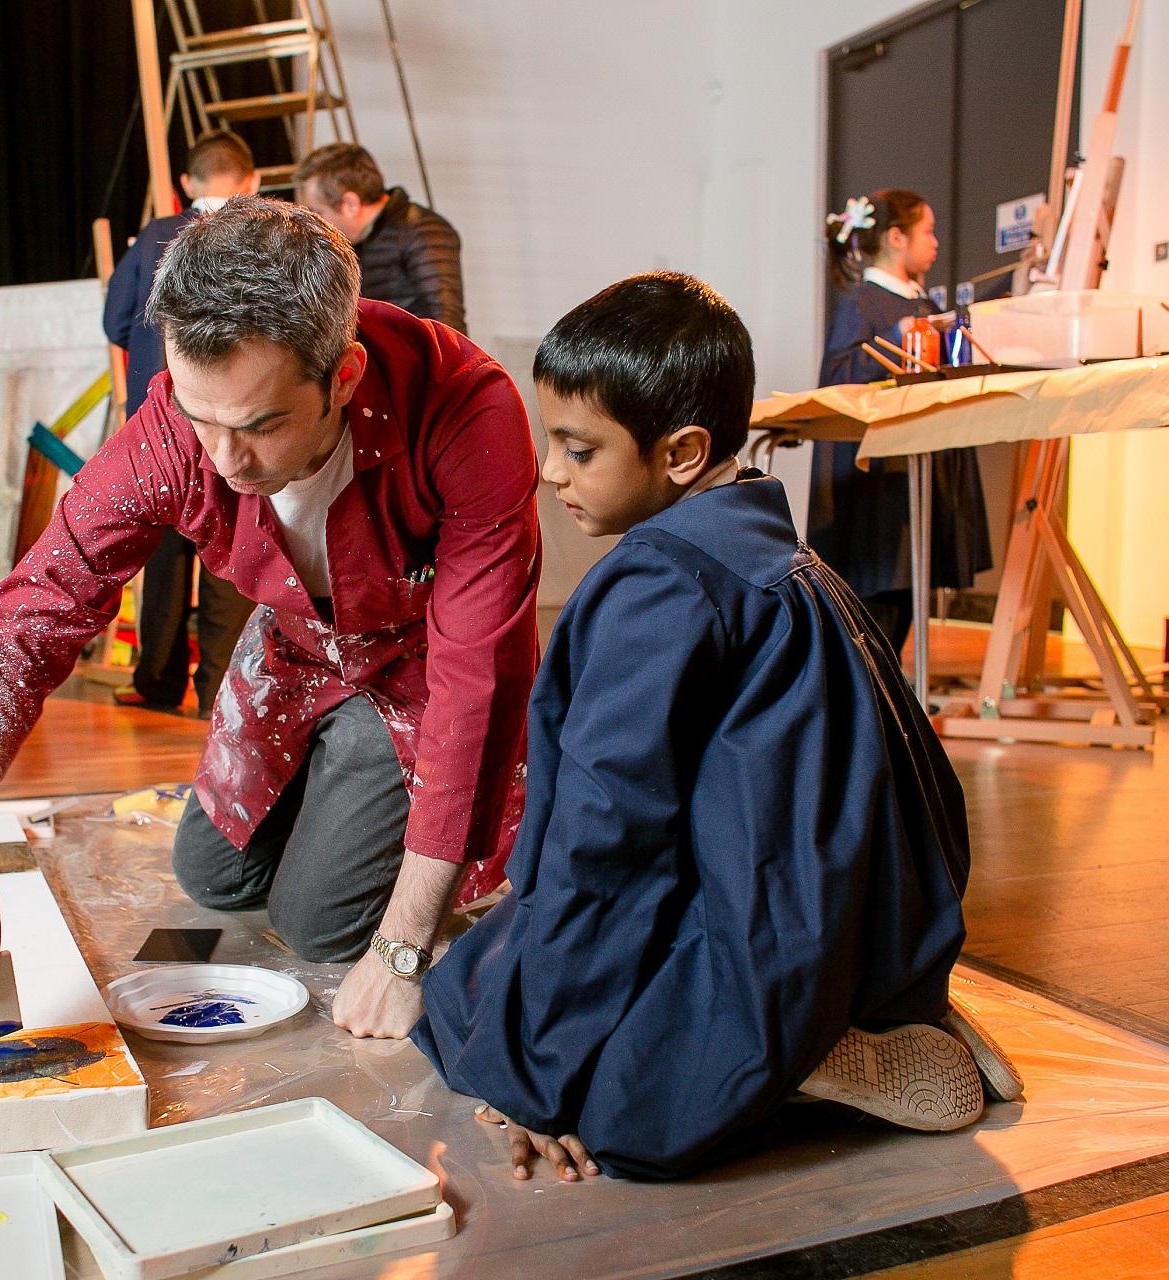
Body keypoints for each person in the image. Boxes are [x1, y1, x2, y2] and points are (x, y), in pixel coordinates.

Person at [0, 199, 539, 1043]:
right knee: (212, 875)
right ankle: (336, 778)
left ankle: (359, 780)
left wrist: (406, 950)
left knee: (322, 926)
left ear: (343, 376)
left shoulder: (466, 408)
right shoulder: (170, 432)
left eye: (260, 424)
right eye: (202, 419)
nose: (225, 464)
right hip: (296, 646)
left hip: (415, 664)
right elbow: (25, 619)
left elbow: (479, 679)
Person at [414, 273, 1018, 1183]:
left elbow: (606, 841)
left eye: (579, 449)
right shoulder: (779, 550)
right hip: (868, 922)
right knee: (499, 963)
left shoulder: (659, 586)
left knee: (483, 1021)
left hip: (773, 933)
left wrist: (533, 1078)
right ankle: (877, 1007)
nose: (550, 472)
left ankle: (814, 1054)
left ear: (685, 451)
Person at [102, 130, 259, 716]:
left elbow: (117, 319)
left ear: (187, 185)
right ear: (252, 181)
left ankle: (157, 681)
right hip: (234, 427)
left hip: (159, 427)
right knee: (230, 555)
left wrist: (155, 353)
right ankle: (218, 692)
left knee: (162, 558)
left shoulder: (153, 238)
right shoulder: (256, 237)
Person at [812, 188, 990, 651]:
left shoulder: (921, 303)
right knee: (878, 618)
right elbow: (837, 377)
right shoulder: (865, 305)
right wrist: (895, 337)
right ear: (896, 238)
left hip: (919, 478)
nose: (935, 242)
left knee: (906, 600)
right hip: (882, 493)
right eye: (927, 232)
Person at [295, 144, 466, 334]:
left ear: (351, 204)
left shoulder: (423, 230)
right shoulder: (356, 240)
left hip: (414, 361)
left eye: (318, 212)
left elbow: (448, 324)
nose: (316, 223)